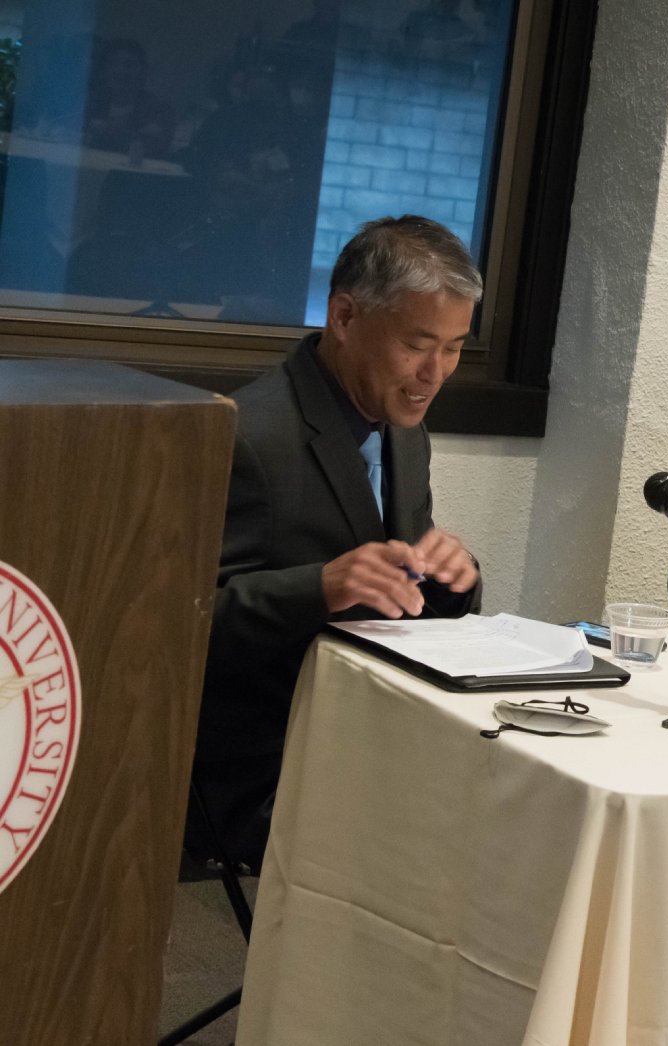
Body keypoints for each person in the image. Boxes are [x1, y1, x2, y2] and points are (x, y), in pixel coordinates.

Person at [191, 215, 483, 867]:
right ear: (345, 317)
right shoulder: (248, 435)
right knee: (459, 848)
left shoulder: (405, 429)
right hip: (264, 757)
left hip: (379, 729)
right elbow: (180, 627)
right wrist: (319, 588)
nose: (435, 373)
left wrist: (452, 574)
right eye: (418, 344)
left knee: (517, 804)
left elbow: (404, 593)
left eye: (456, 347)